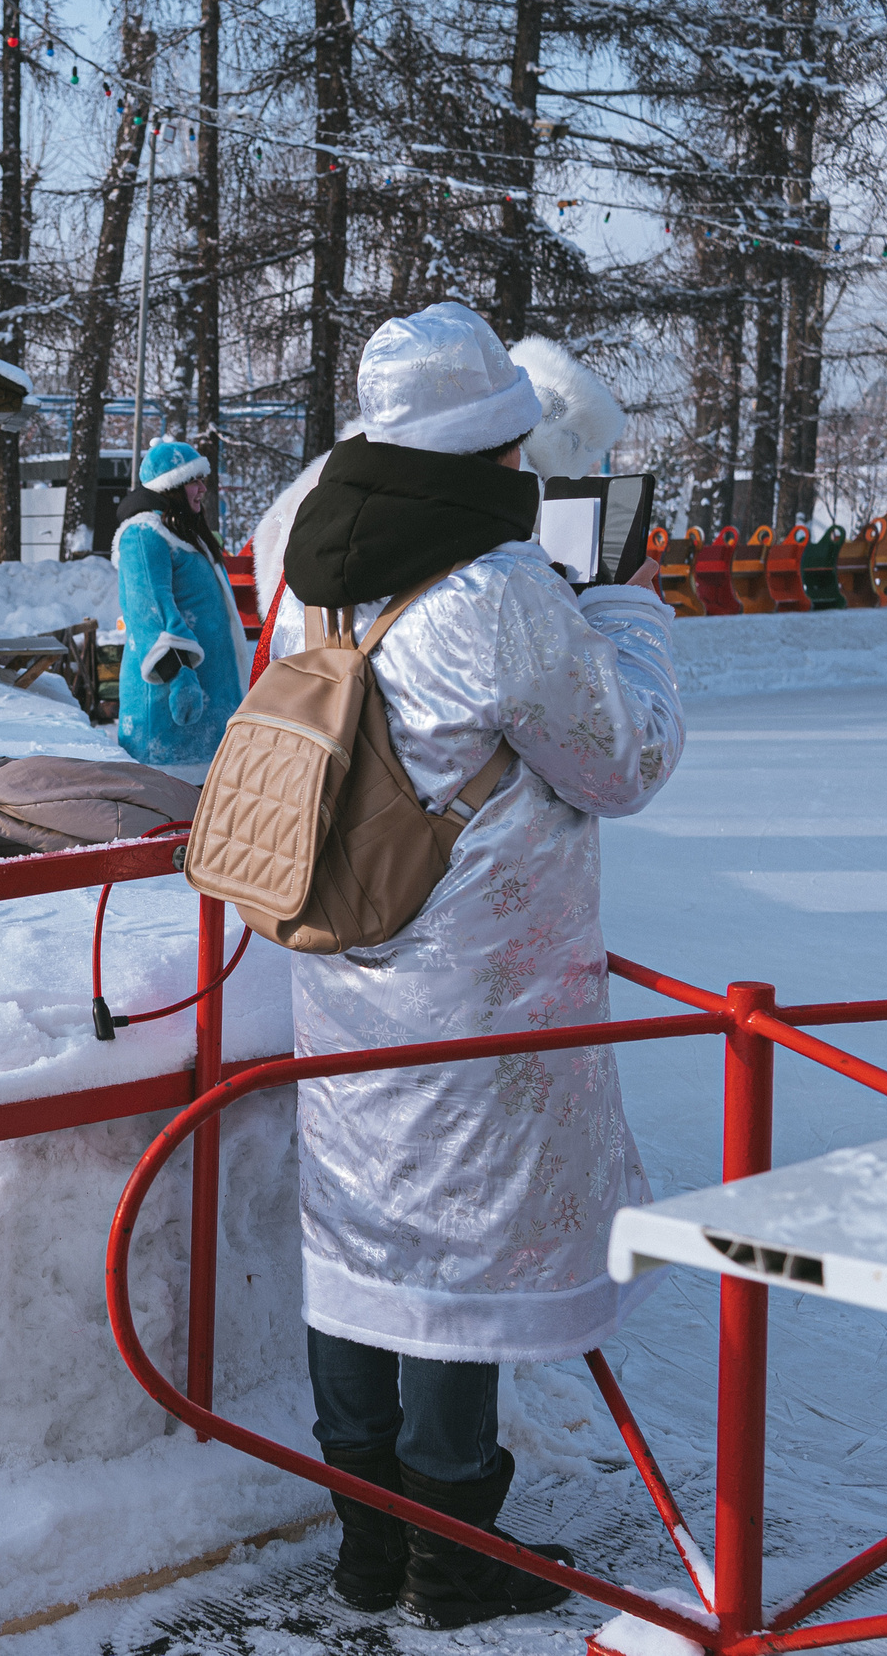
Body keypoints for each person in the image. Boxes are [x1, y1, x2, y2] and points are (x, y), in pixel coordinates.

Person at [266, 302, 683, 1629]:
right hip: (474, 969)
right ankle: (451, 1550)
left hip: (342, 950)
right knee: (458, 1256)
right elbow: (624, 760)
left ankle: (366, 1542)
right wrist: (624, 608)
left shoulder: (303, 548)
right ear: (497, 450)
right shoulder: (499, 591)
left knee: (360, 1235)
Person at [112, 439, 250, 769]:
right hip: (171, 705)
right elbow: (149, 613)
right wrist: (179, 677)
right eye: (194, 481)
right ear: (172, 485)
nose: (203, 488)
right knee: (172, 809)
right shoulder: (143, 534)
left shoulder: (182, 532)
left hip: (208, 705)